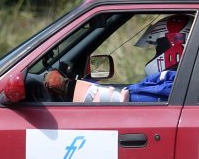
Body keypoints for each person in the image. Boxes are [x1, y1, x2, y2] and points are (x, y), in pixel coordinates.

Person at [44, 14, 193, 102]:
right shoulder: (180, 82)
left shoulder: (174, 84)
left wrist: (66, 86)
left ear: (174, 47)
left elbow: (124, 97)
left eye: (156, 49)